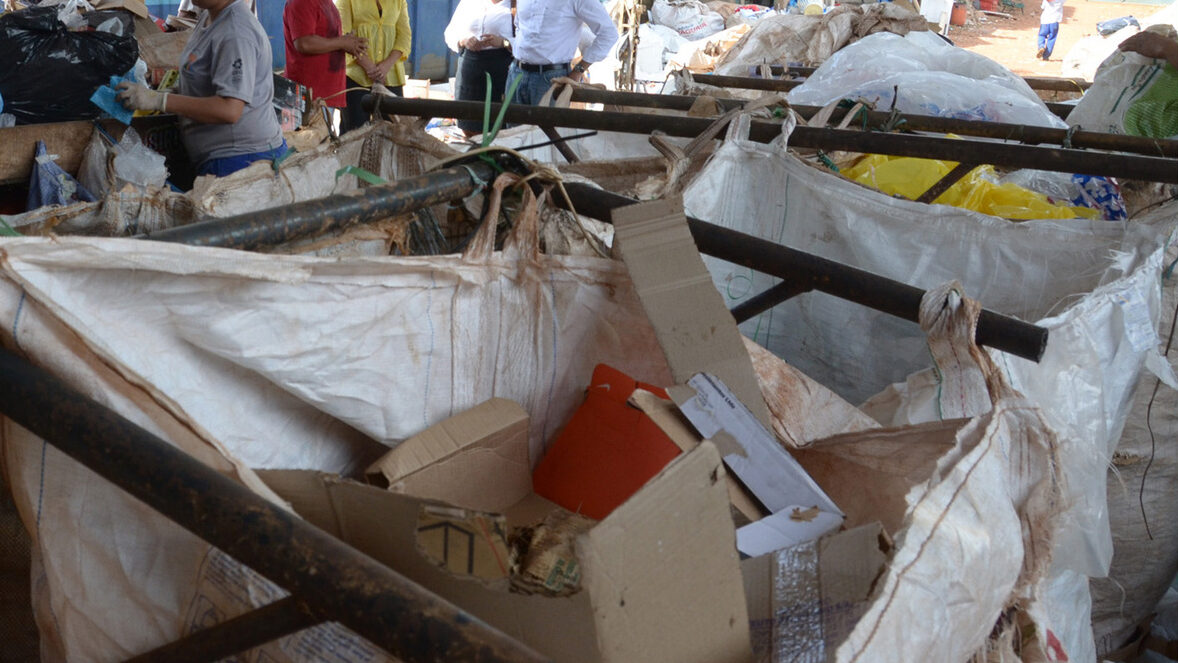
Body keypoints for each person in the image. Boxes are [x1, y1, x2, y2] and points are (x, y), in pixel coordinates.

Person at [117, 0, 287, 178]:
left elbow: (229, 110)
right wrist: (171, 93)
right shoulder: (210, 17)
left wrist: (161, 101)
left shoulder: (236, 32)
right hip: (220, 158)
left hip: (243, 161)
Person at [508, 0, 618, 106]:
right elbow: (519, 26)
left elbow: (609, 33)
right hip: (517, 72)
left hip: (551, 79)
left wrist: (579, 70)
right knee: (512, 123)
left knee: (546, 124)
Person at [336, 0, 412, 133]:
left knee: (394, 134)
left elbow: (404, 37)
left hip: (391, 75)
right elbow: (342, 36)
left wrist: (385, 66)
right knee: (355, 134)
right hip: (355, 77)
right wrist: (369, 67)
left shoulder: (399, 1)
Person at [283, 0, 368, 117]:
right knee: (309, 135)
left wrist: (347, 43)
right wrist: (342, 42)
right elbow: (304, 43)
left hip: (324, 96)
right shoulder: (302, 2)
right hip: (309, 97)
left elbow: (328, 41)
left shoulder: (326, 3)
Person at [444, 0, 514, 135]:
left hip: (501, 70)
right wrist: (464, 40)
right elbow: (450, 34)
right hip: (470, 70)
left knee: (498, 128)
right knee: (468, 124)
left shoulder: (515, 5)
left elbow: (525, 41)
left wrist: (503, 42)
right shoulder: (470, 3)